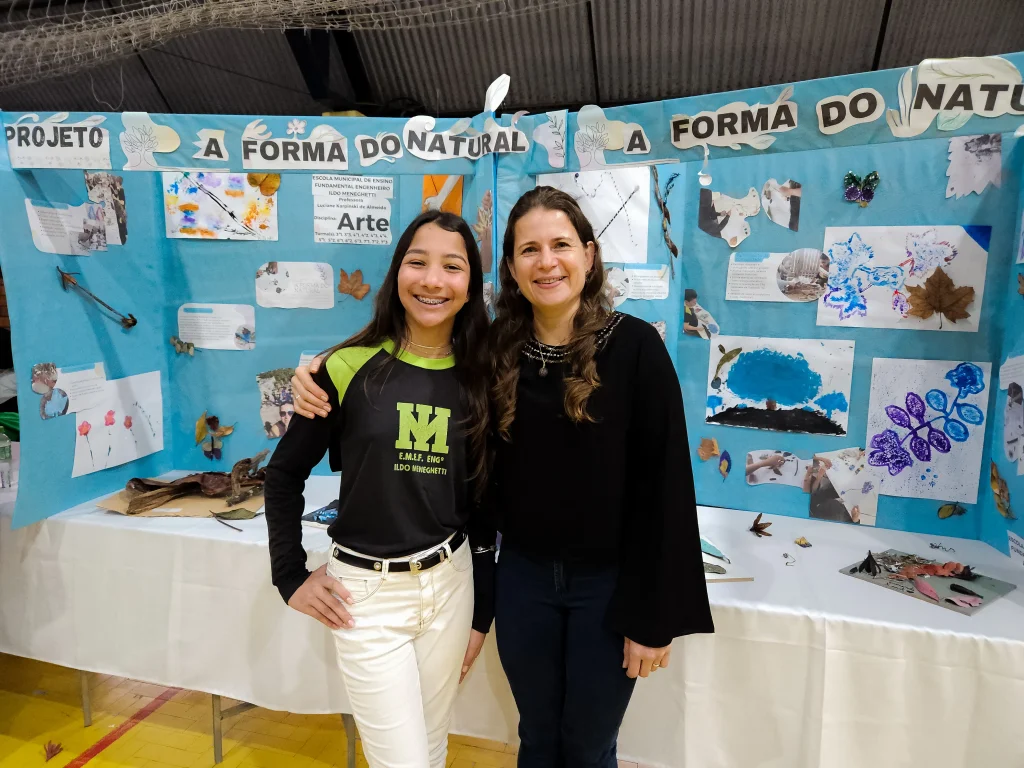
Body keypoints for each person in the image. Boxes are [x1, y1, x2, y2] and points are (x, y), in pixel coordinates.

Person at [292, 187, 713, 767]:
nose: (547, 262)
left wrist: (654, 617)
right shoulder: (495, 351)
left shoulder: (635, 346)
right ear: (511, 268)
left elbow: (666, 487)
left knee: (588, 747)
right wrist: (315, 372)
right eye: (529, 250)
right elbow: (453, 441)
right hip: (524, 582)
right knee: (536, 736)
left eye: (561, 245)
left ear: (589, 255)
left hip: (608, 586)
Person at [264, 210, 494, 768]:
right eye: (418, 262)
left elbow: (484, 507)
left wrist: (480, 615)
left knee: (432, 749)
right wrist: (289, 575)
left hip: (451, 584)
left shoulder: (485, 375)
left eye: (452, 266)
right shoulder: (345, 367)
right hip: (365, 597)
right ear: (396, 273)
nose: (433, 280)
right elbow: (284, 474)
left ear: (471, 285)